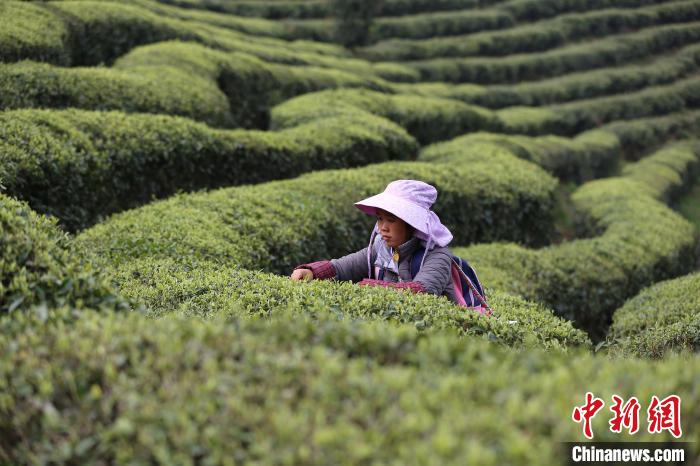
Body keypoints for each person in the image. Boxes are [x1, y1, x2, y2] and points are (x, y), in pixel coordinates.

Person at [290, 179, 462, 305]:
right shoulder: (381, 247)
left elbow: (424, 291)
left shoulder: (437, 255)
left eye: (391, 220)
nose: (382, 228)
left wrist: (369, 287)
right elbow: (343, 267)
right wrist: (312, 272)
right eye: (380, 219)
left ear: (411, 224)